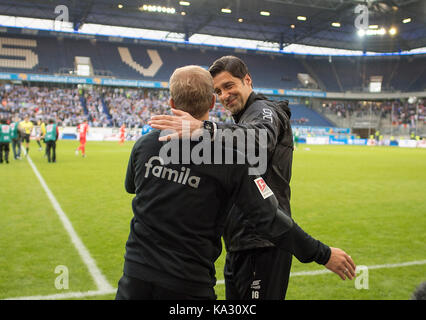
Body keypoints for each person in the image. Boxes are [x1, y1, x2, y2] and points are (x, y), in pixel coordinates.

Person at [116, 65, 356, 300]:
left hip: (135, 277)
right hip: (190, 282)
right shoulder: (229, 158)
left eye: (228, 86)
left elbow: (132, 187)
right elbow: (269, 218)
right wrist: (322, 254)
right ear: (212, 102)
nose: (224, 95)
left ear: (171, 103)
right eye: (218, 91)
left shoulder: (145, 145)